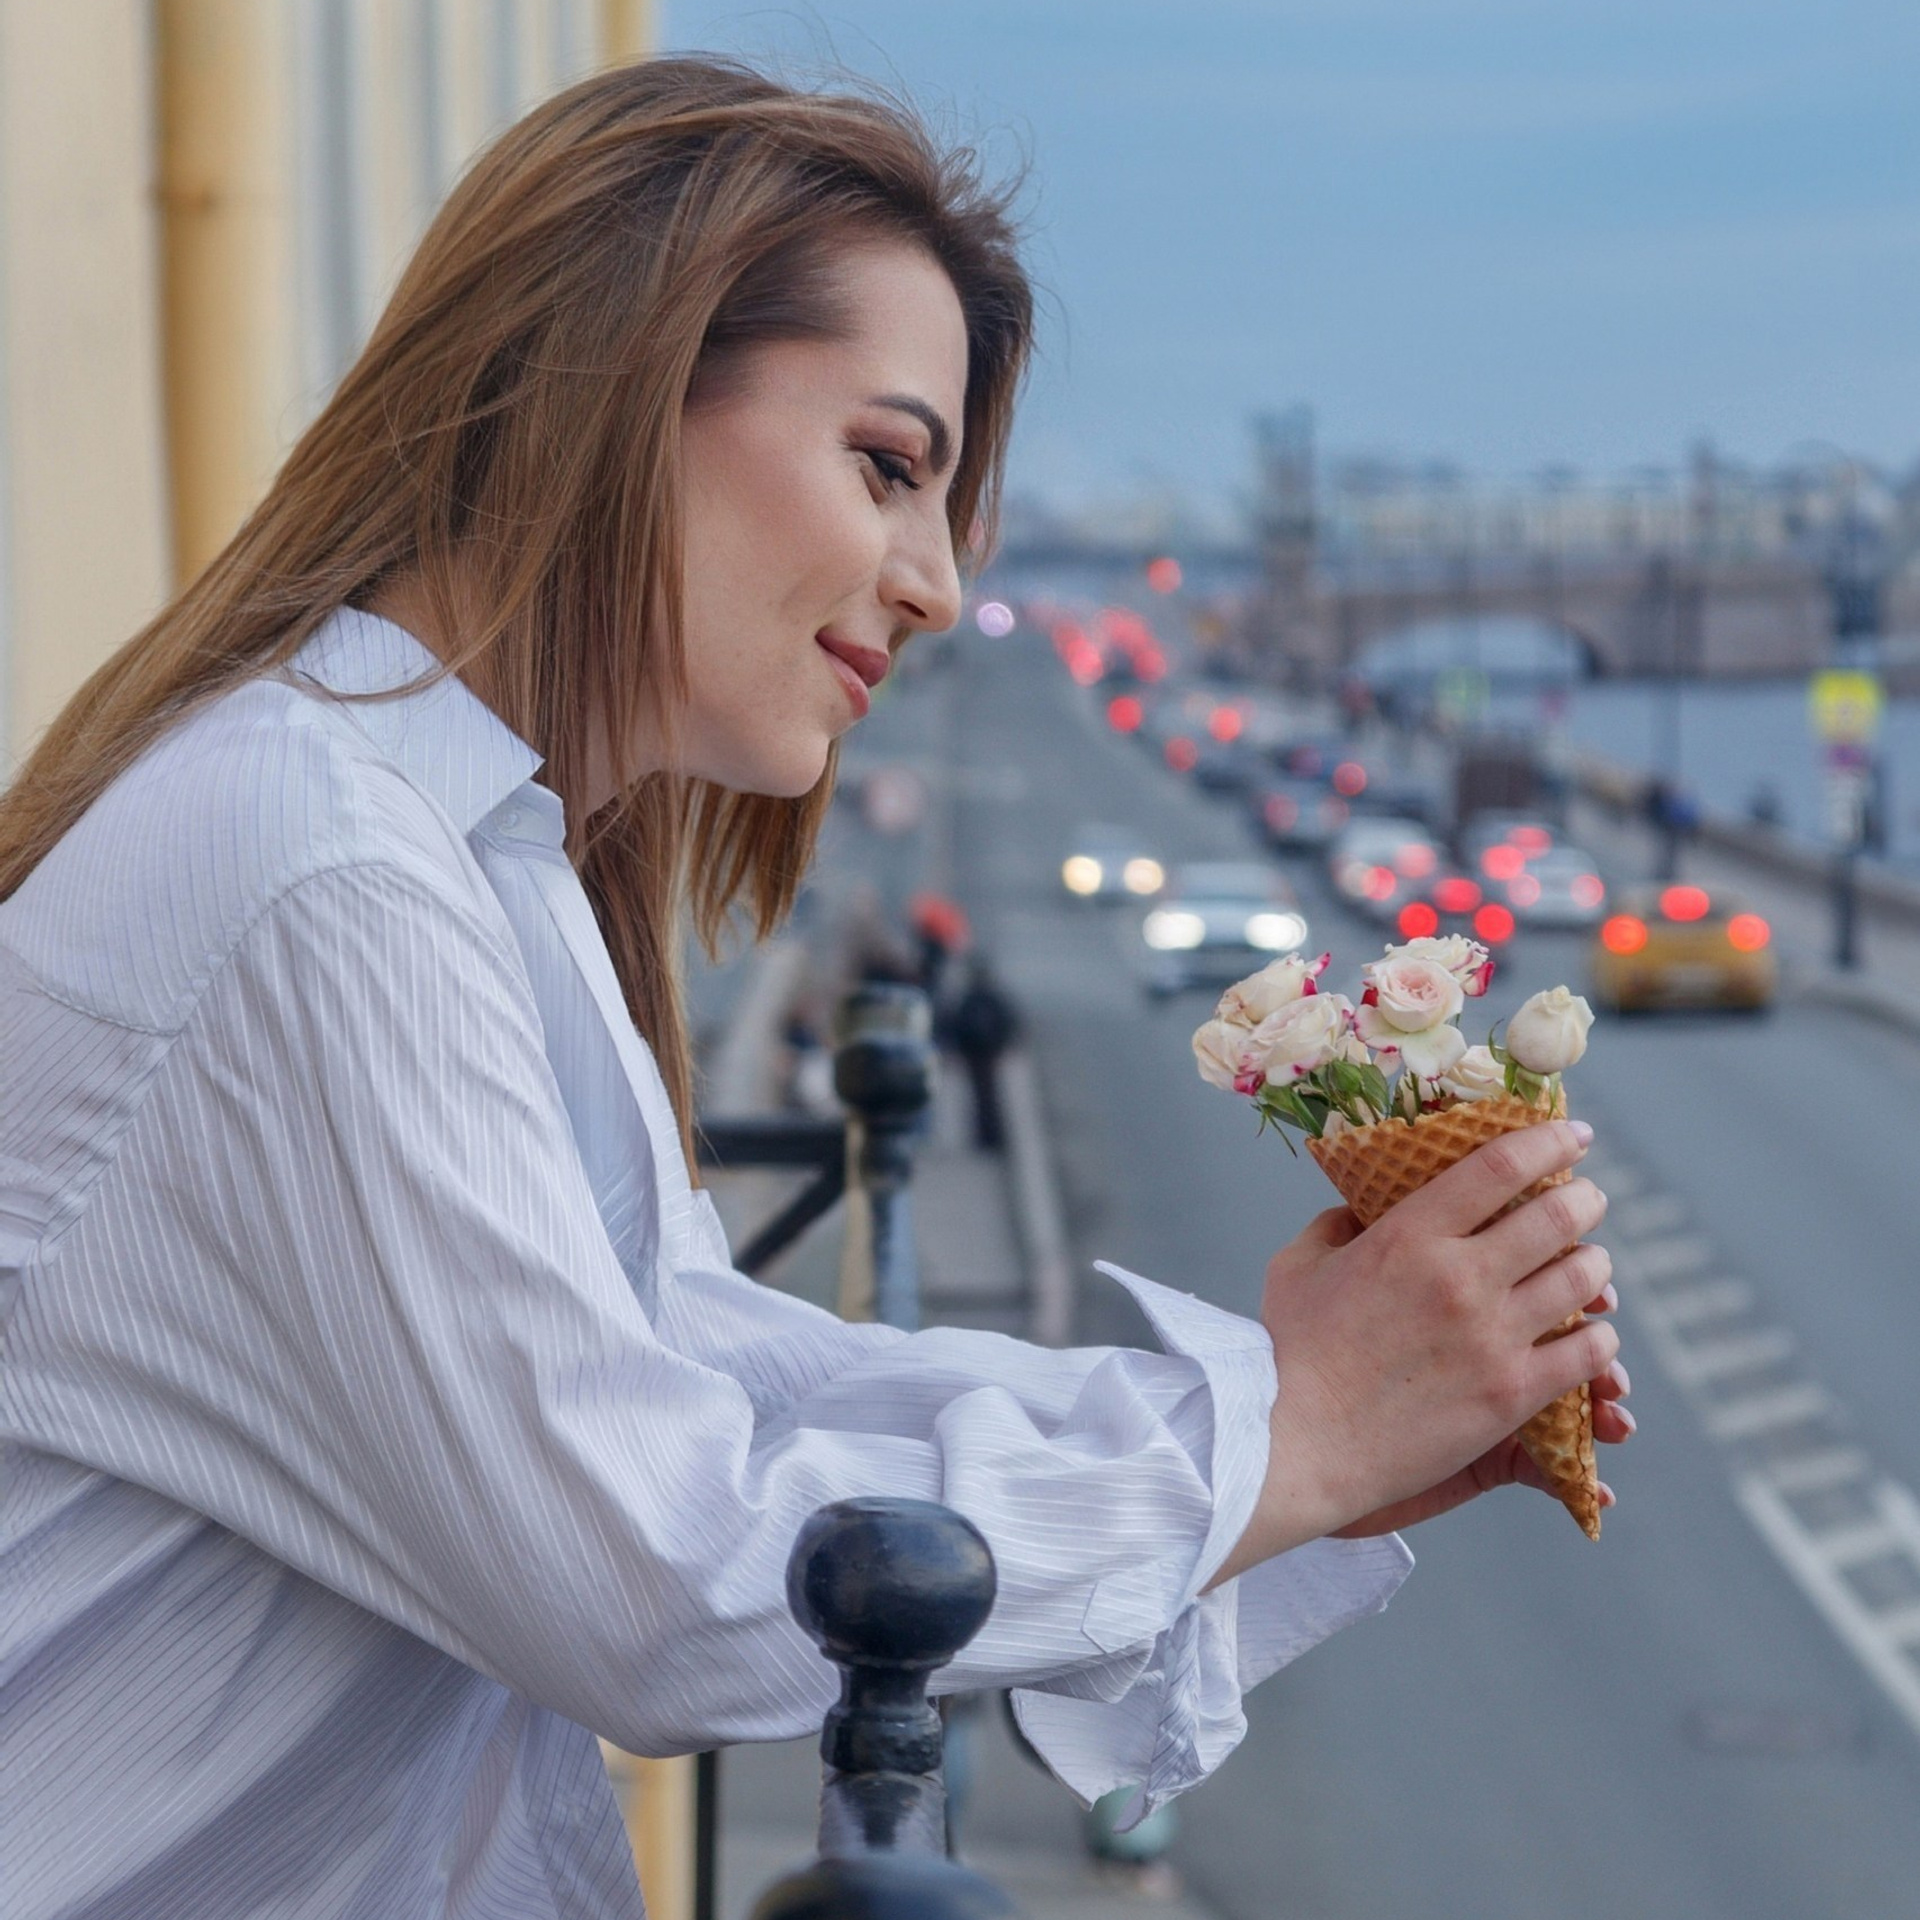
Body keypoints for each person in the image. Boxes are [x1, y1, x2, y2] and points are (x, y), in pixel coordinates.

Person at [0, 59, 1628, 1920]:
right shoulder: (318, 875)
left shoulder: (452, 855)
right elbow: (665, 1575)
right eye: (886, 466)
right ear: (620, 388)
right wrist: (1294, 1430)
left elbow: (717, 1376)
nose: (933, 584)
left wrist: (1286, 1432)